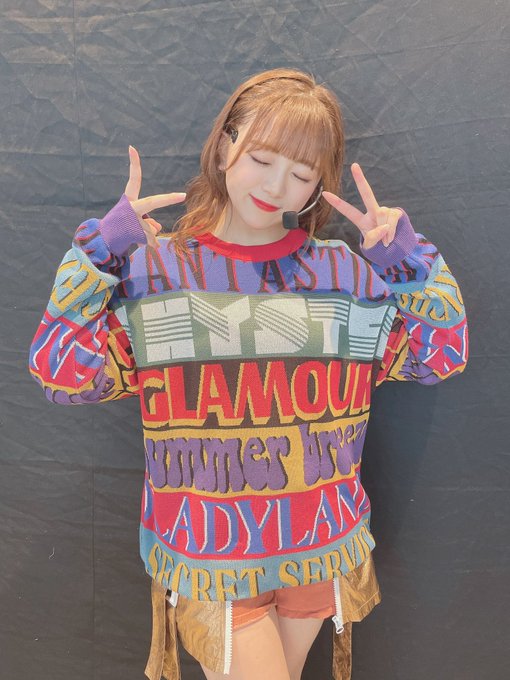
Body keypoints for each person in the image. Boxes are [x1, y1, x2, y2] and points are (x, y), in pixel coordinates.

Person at [28, 68, 468, 680]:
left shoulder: (344, 275)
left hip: (319, 541)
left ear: (318, 187)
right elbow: (62, 374)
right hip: (211, 552)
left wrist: (406, 263)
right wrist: (97, 255)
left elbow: (440, 353)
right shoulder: (157, 272)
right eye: (262, 158)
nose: (276, 185)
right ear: (223, 146)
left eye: (302, 174)